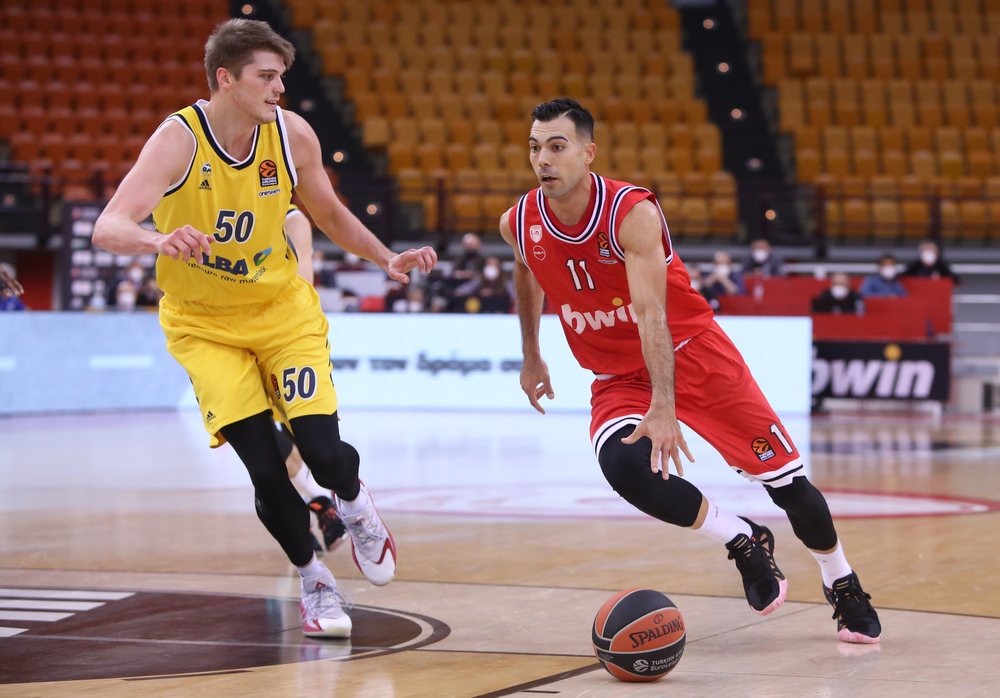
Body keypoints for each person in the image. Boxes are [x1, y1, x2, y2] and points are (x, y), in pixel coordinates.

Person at [92, 19, 437, 638]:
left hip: (281, 314)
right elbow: (107, 227)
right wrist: (156, 239)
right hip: (204, 326)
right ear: (226, 78)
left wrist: (385, 257)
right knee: (265, 468)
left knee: (324, 454)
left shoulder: (291, 133)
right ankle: (315, 581)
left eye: (282, 77)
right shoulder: (177, 139)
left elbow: (329, 212)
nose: (280, 88)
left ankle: (356, 504)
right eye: (267, 76)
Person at [498, 98, 880, 644]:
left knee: (788, 487)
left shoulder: (630, 213)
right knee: (626, 468)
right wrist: (532, 352)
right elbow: (526, 269)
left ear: (588, 152)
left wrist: (664, 404)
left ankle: (841, 580)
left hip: (692, 354)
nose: (543, 159)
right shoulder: (519, 221)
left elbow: (651, 313)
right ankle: (743, 539)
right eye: (535, 147)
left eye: (557, 146)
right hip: (618, 375)